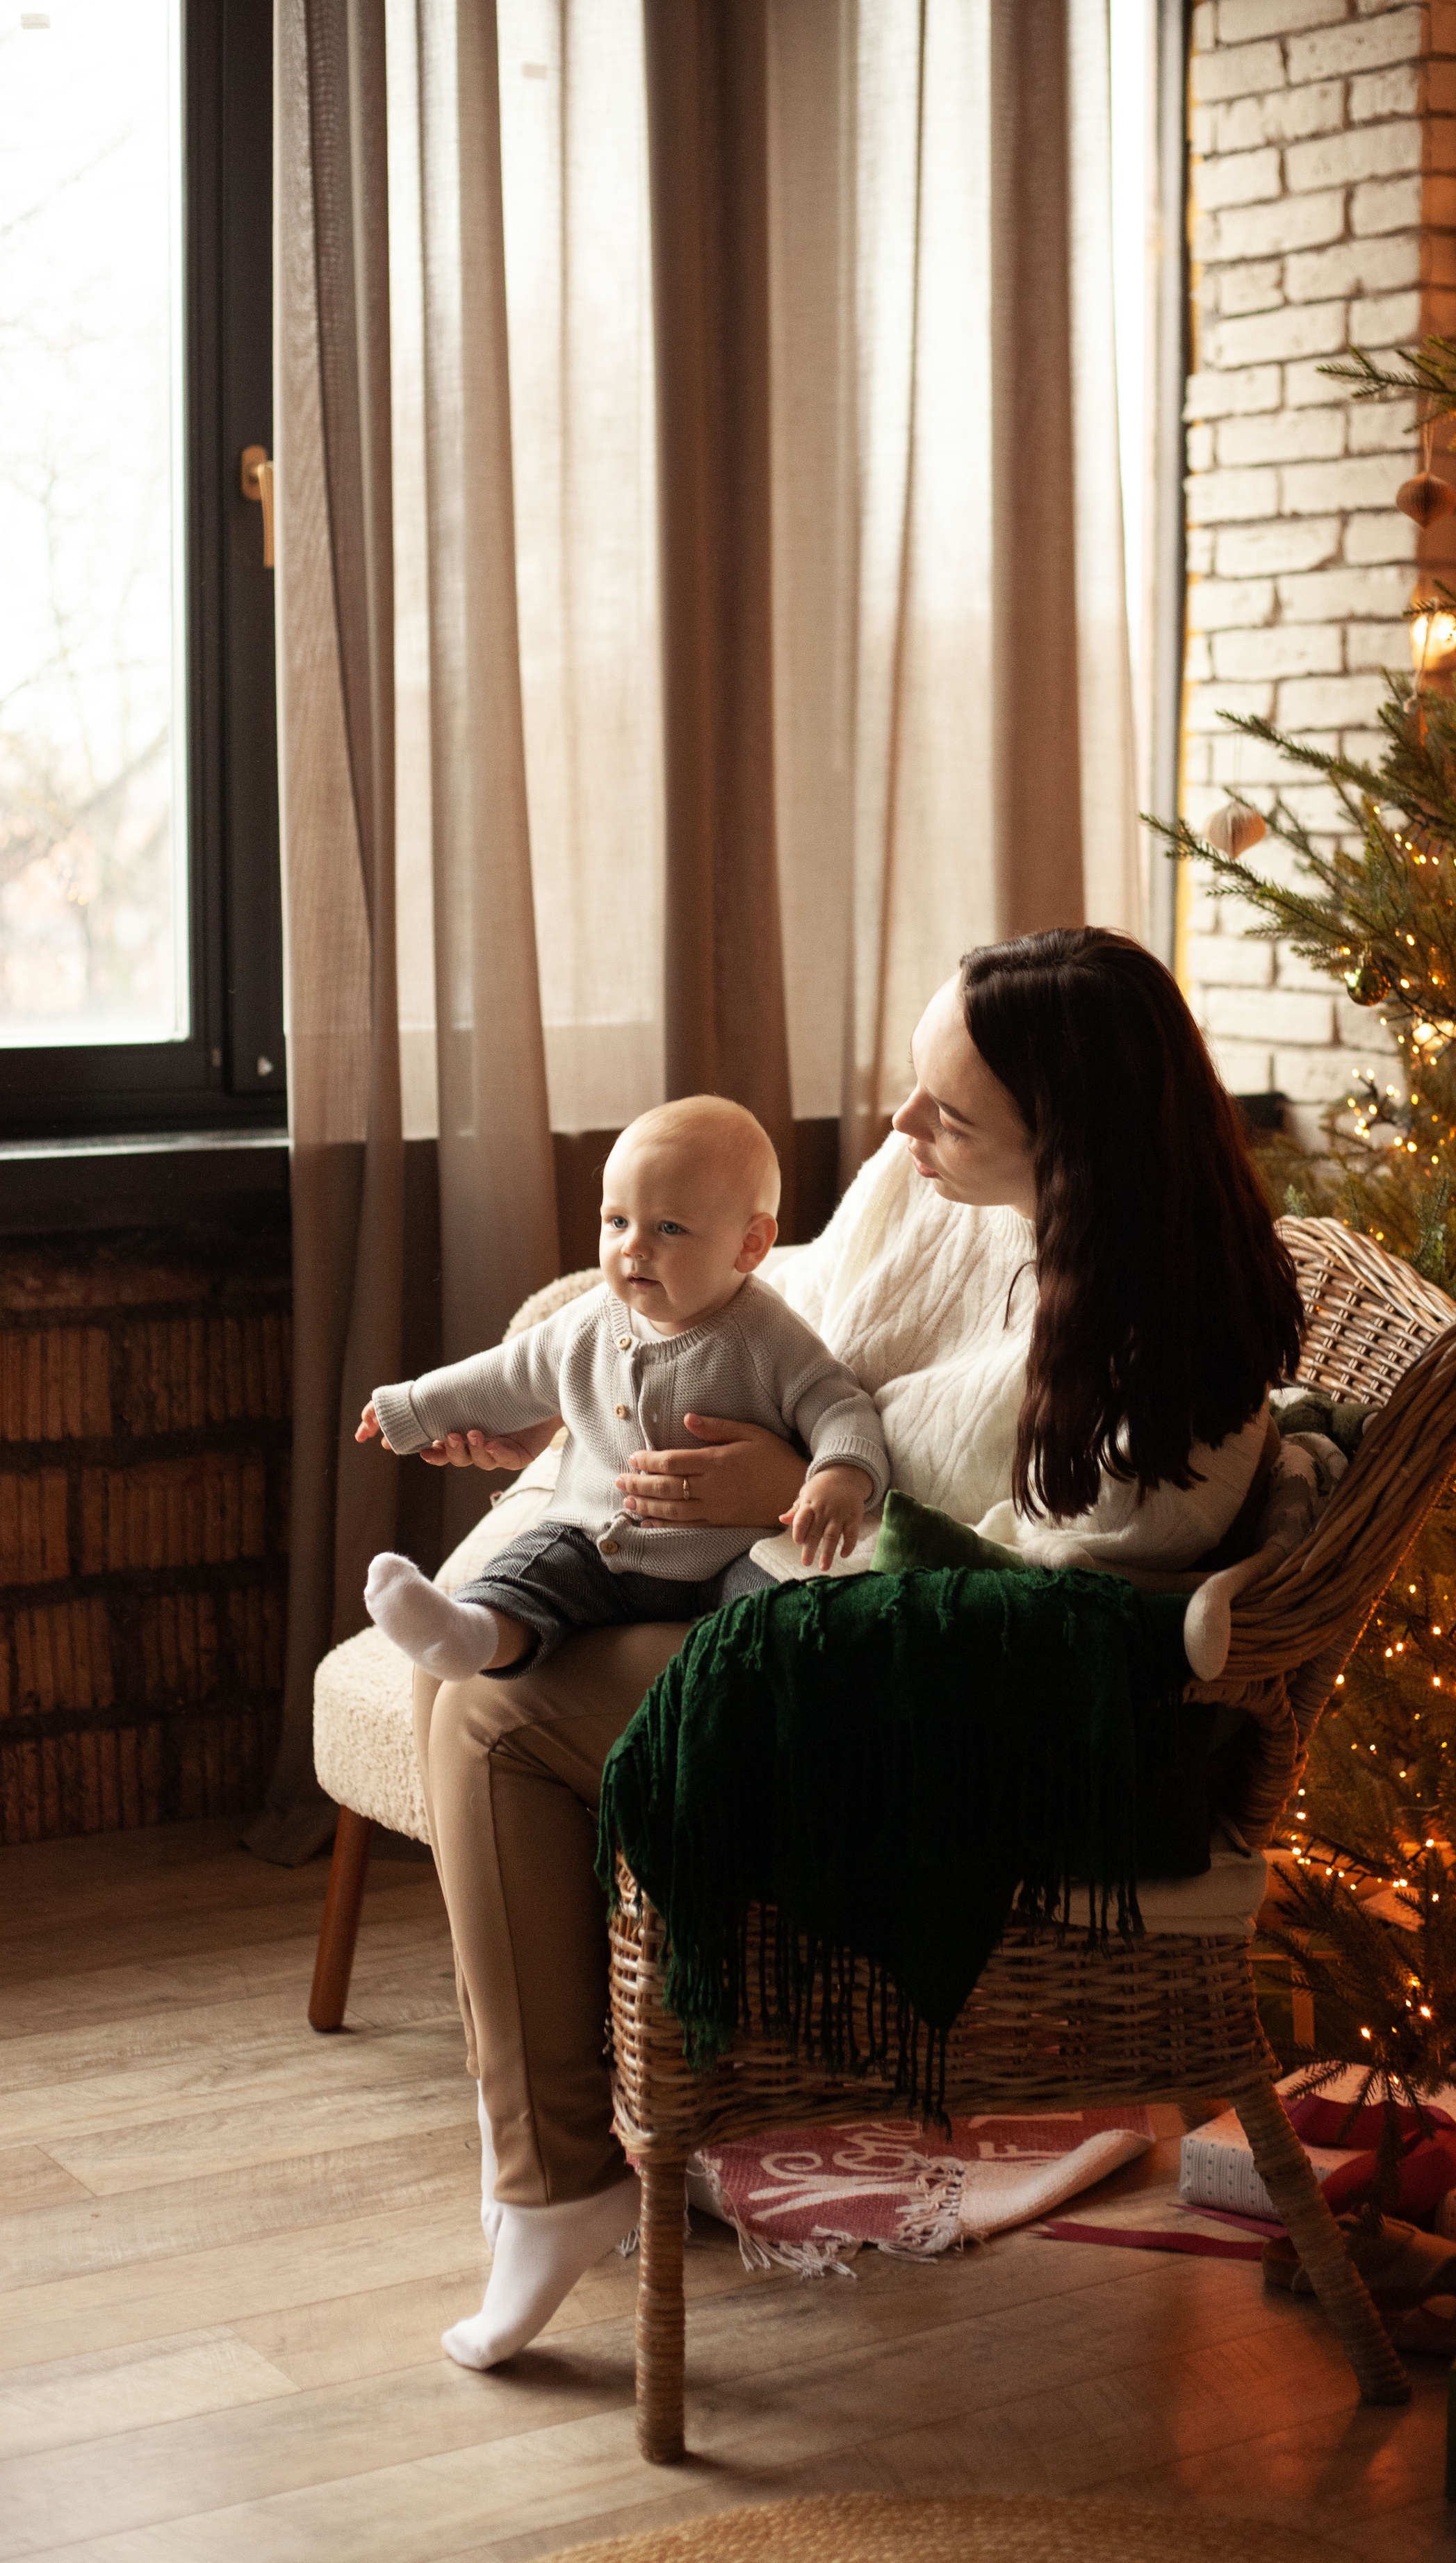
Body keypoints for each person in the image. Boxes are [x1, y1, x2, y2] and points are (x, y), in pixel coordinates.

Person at [411, 928, 1304, 2370]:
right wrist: (601, 1413)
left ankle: (552, 2175)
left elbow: (1030, 1640)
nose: (898, 1130)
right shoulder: (961, 1203)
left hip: (938, 1716)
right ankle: (561, 2159)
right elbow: (786, 1329)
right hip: (794, 1609)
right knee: (488, 1653)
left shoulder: (1165, 1375)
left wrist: (791, 1496)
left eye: (944, 1113)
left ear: (1070, 1144)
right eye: (913, 1089)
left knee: (490, 1716)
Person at [356, 1095, 889, 1685]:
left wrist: (841, 1476)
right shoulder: (586, 1321)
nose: (633, 1246)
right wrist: (411, 1409)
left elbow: (840, 1406)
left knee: (776, 1605)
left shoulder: (769, 1336)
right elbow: (508, 1373)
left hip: (725, 1554)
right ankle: (473, 1634)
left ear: (751, 1244)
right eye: (617, 1221)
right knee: (533, 1571)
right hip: (592, 1542)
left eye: (668, 1227)